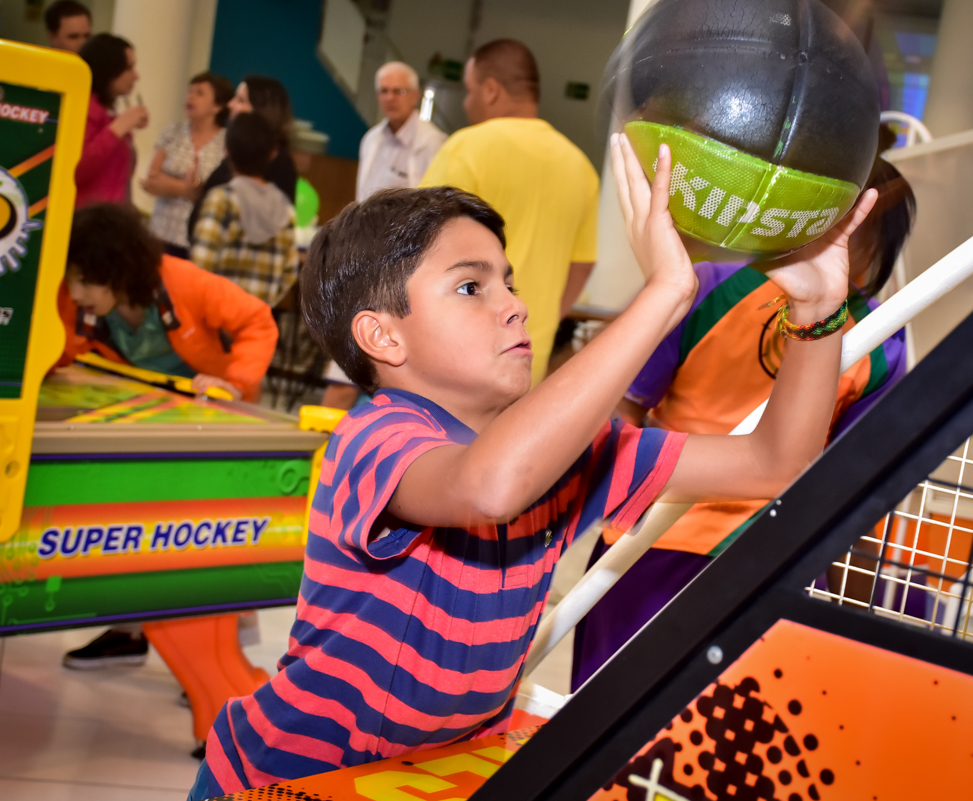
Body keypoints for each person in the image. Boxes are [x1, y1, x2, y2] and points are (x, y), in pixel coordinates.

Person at [184, 136, 878, 797]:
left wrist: (817, 313)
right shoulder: (375, 438)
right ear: (382, 335)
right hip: (288, 776)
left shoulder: (574, 452)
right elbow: (489, 487)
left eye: (507, 281)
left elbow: (775, 461)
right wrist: (667, 291)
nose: (514, 304)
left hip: (430, 775)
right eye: (470, 288)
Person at [571, 151, 918, 690]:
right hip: (726, 550)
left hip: (670, 540)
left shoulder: (710, 285)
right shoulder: (877, 342)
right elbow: (856, 489)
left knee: (605, 720)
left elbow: (621, 409)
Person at [56, 203, 278, 670]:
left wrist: (234, 381)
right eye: (70, 279)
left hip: (213, 425)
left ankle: (219, 665)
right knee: (131, 528)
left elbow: (257, 320)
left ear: (114, 269)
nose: (75, 292)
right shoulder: (74, 303)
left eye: (85, 280)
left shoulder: (183, 282)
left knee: (209, 539)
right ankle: (127, 632)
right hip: (144, 424)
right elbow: (60, 349)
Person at [420, 39, 598, 385]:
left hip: (458, 355)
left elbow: (416, 247)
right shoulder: (581, 167)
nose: (467, 102)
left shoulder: (467, 147)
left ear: (490, 90)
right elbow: (583, 263)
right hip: (530, 352)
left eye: (469, 91)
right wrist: (543, 320)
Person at [190, 112, 298, 308]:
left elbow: (200, 265)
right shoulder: (284, 206)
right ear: (272, 153)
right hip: (257, 319)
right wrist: (264, 304)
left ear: (226, 149)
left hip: (217, 318)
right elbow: (290, 271)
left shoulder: (221, 199)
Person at [188, 75, 297, 241]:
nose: (230, 105)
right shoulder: (239, 150)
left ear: (260, 110)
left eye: (240, 100)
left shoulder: (278, 163)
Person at [144, 72, 234, 258]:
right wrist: (187, 189)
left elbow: (219, 190)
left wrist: (169, 182)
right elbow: (151, 181)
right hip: (161, 232)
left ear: (217, 106)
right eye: (190, 91)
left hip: (200, 237)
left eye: (199, 93)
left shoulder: (227, 142)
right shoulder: (172, 132)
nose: (190, 97)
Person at [357, 61, 446, 201]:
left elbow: (436, 200)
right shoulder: (371, 139)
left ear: (415, 96)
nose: (390, 98)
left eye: (398, 91)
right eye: (384, 91)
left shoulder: (433, 142)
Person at [76, 33, 148, 207]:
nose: (136, 76)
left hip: (108, 216)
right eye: (129, 68)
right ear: (109, 70)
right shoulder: (84, 108)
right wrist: (119, 127)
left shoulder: (107, 112)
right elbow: (78, 171)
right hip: (87, 219)